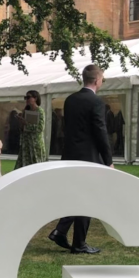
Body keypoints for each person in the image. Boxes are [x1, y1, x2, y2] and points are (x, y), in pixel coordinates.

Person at [48, 64, 113, 255]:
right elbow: (100, 132)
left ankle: (61, 230)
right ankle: (79, 242)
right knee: (87, 198)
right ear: (97, 80)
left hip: (70, 153)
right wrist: (108, 159)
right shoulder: (96, 103)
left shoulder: (70, 100)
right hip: (88, 156)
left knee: (74, 194)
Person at [14, 90, 47, 168]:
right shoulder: (25, 111)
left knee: (36, 166)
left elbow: (40, 128)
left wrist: (26, 124)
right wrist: (21, 122)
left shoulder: (40, 111)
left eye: (28, 97)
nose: (27, 99)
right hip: (26, 144)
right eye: (26, 97)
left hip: (35, 144)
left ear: (35, 98)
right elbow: (22, 129)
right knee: (22, 167)